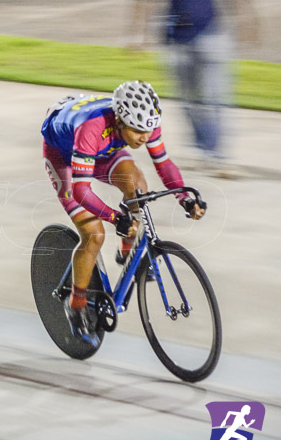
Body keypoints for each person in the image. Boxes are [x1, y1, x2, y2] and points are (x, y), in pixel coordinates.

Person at [40, 81, 205, 346]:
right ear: (119, 120)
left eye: (148, 129)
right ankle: (76, 303)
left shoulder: (145, 123)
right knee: (94, 235)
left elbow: (163, 164)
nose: (144, 136)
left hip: (103, 149)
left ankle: (128, 250)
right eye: (138, 130)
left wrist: (184, 198)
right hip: (64, 153)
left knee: (137, 186)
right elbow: (81, 191)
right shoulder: (92, 128)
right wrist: (116, 218)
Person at [128, 0, 258, 176]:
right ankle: (201, 148)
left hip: (211, 33)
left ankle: (218, 155)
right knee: (188, 100)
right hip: (176, 39)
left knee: (215, 97)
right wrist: (139, 35)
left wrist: (248, 20)